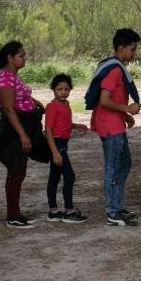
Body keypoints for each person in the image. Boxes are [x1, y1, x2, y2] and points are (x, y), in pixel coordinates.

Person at [87, 28, 141, 227]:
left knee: (124, 163)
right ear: (121, 48)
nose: (134, 53)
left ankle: (116, 205)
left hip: (115, 123)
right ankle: (112, 211)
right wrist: (127, 108)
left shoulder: (115, 66)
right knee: (114, 167)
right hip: (110, 127)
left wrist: (125, 115)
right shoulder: (114, 70)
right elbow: (104, 100)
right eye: (132, 49)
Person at [0, 41, 45, 229]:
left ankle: (15, 212)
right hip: (14, 130)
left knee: (19, 171)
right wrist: (22, 135)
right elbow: (9, 109)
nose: (24, 58)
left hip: (24, 126)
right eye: (21, 55)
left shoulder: (12, 76)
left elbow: (21, 96)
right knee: (16, 171)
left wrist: (34, 102)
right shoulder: (4, 78)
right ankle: (12, 215)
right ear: (10, 58)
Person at [44, 73, 89, 224]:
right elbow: (48, 130)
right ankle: (69, 211)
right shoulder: (52, 107)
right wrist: (55, 152)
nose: (63, 92)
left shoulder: (66, 105)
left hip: (62, 144)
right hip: (56, 145)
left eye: (66, 89)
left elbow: (63, 123)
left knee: (54, 178)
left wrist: (76, 126)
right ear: (54, 90)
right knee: (69, 177)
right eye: (59, 89)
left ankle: (53, 211)